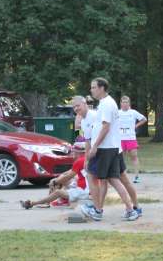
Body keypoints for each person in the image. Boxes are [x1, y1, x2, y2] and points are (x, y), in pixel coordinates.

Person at [80, 78, 138, 221]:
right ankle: (130, 210)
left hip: (105, 148)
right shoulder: (106, 103)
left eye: (93, 87)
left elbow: (106, 127)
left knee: (91, 175)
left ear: (102, 88)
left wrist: (94, 146)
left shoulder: (106, 104)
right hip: (111, 147)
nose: (91, 90)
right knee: (113, 179)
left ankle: (97, 210)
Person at [20, 154, 90, 209]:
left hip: (83, 190)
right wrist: (57, 179)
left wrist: (55, 182)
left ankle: (32, 203)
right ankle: (57, 201)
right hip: (82, 186)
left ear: (78, 152)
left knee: (57, 191)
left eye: (74, 151)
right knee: (57, 180)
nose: (73, 154)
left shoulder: (80, 160)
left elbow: (68, 176)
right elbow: (68, 173)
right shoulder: (83, 159)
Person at [119, 96, 147, 184]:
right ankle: (122, 175)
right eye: (123, 102)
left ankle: (137, 176)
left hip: (131, 137)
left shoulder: (133, 112)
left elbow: (144, 119)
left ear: (129, 103)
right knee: (121, 158)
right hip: (120, 138)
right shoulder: (117, 113)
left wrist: (136, 126)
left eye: (127, 102)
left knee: (134, 156)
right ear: (121, 103)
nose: (125, 104)